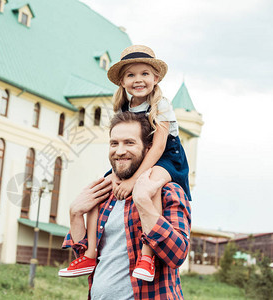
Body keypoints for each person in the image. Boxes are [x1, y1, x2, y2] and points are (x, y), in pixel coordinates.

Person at [58, 45, 191, 281]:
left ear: (155, 78)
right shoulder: (124, 107)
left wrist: (132, 180)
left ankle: (147, 256)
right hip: (142, 156)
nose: (138, 80)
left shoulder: (161, 104)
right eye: (131, 75)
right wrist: (122, 177)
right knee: (101, 187)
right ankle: (89, 254)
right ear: (122, 81)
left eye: (144, 74)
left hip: (166, 157)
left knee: (149, 187)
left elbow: (158, 146)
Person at [61, 112, 191, 299]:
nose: (120, 151)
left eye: (129, 143)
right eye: (114, 143)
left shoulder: (167, 191)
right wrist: (75, 214)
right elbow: (84, 256)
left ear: (148, 149)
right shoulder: (104, 195)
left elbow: (177, 254)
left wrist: (144, 202)